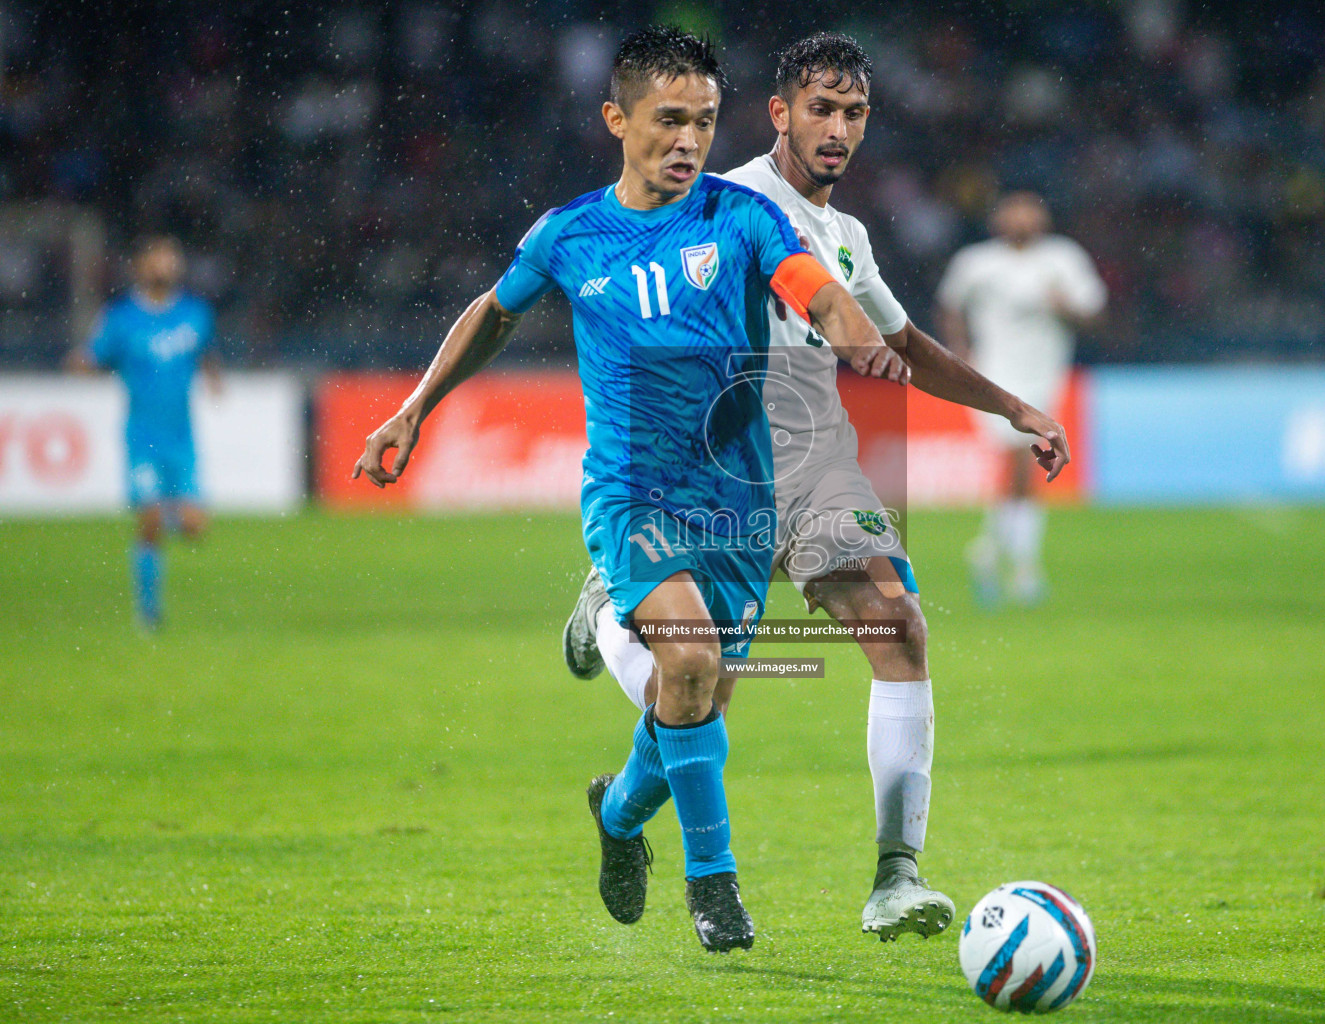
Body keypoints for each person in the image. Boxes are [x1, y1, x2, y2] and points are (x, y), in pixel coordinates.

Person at [352, 26, 907, 953]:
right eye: (667, 121)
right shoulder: (571, 234)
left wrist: (848, 328)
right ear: (618, 119)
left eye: (703, 122)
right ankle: (714, 882)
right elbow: (493, 313)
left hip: (734, 503)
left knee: (699, 698)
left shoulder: (741, 217)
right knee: (688, 663)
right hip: (630, 497)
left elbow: (809, 284)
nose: (688, 141)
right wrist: (415, 408)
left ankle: (616, 814)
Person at [561, 33, 1070, 942]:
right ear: (779, 115)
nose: (838, 130)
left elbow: (905, 344)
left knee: (897, 621)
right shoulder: (728, 200)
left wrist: (1013, 407)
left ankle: (895, 878)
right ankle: (613, 671)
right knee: (702, 693)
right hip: (727, 454)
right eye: (821, 110)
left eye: (855, 113)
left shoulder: (849, 235)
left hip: (820, 449)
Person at [936, 193, 1105, 605]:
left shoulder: (1063, 259)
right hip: (995, 377)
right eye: (1015, 213)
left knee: (1027, 465)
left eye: (1031, 213)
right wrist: (961, 356)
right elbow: (949, 307)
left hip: (1044, 376)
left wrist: (1063, 306)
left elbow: (1093, 313)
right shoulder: (977, 263)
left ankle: (989, 550)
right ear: (999, 220)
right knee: (1022, 460)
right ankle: (1025, 566)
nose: (1023, 221)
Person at [67, 236, 219, 630]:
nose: (166, 266)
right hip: (143, 437)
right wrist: (81, 363)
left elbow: (205, 352)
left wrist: (214, 377)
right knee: (149, 518)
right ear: (141, 265)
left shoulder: (195, 313)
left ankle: (171, 514)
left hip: (182, 438)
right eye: (159, 259)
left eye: (172, 259)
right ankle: (149, 616)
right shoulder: (122, 318)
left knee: (193, 527)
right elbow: (96, 355)